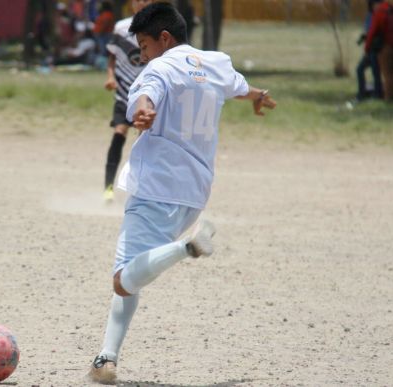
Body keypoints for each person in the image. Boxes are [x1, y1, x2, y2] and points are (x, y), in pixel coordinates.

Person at [87, 3, 276, 384]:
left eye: (142, 45)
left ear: (165, 39)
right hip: (194, 193)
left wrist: (141, 110)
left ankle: (187, 249)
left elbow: (146, 95)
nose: (141, 55)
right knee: (135, 269)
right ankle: (106, 358)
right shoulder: (215, 62)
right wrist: (258, 95)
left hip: (155, 185)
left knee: (123, 279)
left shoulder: (159, 67)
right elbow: (237, 87)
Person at [102, 0, 153, 202]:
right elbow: (112, 57)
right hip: (124, 91)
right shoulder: (122, 28)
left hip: (147, 93)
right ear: (132, 4)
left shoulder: (157, 27)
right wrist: (110, 76)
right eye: (137, 0)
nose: (141, 3)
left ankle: (141, 191)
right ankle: (108, 187)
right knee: (119, 132)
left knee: (144, 140)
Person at [366, 0, 393, 101]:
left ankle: (388, 98)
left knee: (388, 74)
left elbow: (372, 31)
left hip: (386, 47)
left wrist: (367, 48)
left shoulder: (381, 12)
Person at [356, 0, 384, 101]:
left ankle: (378, 94)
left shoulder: (382, 15)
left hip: (378, 49)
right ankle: (361, 93)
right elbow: (369, 31)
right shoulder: (370, 15)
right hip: (371, 48)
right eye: (373, 4)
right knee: (360, 69)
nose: (375, 6)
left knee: (375, 71)